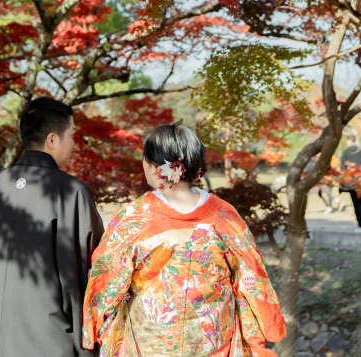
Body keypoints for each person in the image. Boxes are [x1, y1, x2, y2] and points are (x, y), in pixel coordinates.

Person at [82, 123, 286, 357]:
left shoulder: (134, 217)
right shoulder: (224, 214)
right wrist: (267, 326)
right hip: (215, 338)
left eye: (146, 159)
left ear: (157, 167)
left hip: (153, 341)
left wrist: (91, 326)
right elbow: (251, 275)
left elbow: (106, 279)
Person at [0, 97, 105, 357]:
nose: (73, 144)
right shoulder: (72, 192)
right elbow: (83, 279)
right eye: (71, 135)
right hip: (49, 343)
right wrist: (87, 349)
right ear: (52, 140)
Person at [340, 135, 361, 232]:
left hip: (351, 181)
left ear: (348, 140)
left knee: (356, 203)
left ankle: (360, 224)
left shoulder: (345, 152)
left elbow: (342, 168)